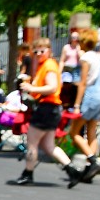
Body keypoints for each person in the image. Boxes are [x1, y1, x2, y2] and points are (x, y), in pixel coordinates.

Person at [12, 38, 83, 187]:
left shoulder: (49, 66)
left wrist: (32, 89)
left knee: (32, 143)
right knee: (48, 145)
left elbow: (52, 87)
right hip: (50, 109)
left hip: (47, 108)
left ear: (49, 51)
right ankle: (72, 170)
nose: (38, 54)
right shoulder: (43, 65)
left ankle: (28, 173)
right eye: (36, 51)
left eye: (42, 51)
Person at [67, 29, 100, 183]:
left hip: (90, 96)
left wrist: (77, 104)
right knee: (91, 132)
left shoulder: (86, 58)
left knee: (74, 132)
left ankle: (93, 160)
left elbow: (83, 82)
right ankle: (90, 167)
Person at [59, 30, 82, 110]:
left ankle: (73, 104)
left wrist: (78, 48)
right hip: (67, 68)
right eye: (73, 37)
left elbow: (82, 59)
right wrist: (59, 72)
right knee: (66, 86)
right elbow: (62, 60)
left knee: (76, 86)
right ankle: (65, 103)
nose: (75, 39)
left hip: (76, 69)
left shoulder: (79, 47)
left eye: (76, 37)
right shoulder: (66, 47)